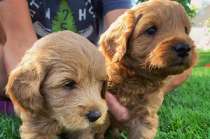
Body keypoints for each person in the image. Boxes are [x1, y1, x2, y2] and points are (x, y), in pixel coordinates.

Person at [0, 0, 192, 121]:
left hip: (90, 67)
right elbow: (19, 42)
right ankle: (13, 102)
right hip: (38, 66)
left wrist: (138, 95)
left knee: (178, 69)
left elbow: (123, 44)